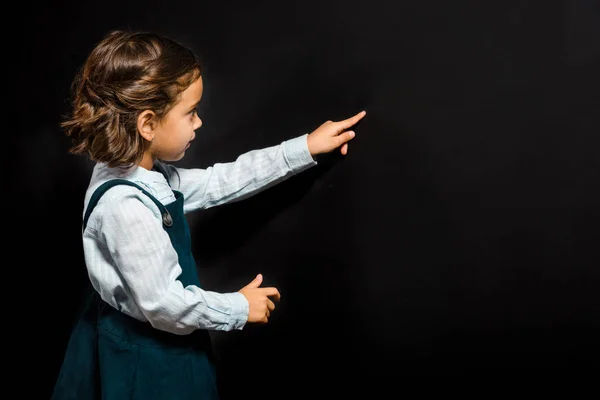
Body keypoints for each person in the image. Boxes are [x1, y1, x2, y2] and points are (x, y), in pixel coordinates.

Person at [51, 29, 366, 400]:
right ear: (148, 124)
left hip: (160, 340)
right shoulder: (125, 206)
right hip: (146, 358)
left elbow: (220, 181)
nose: (199, 123)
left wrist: (304, 148)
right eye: (191, 113)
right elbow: (164, 304)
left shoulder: (143, 172)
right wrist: (237, 307)